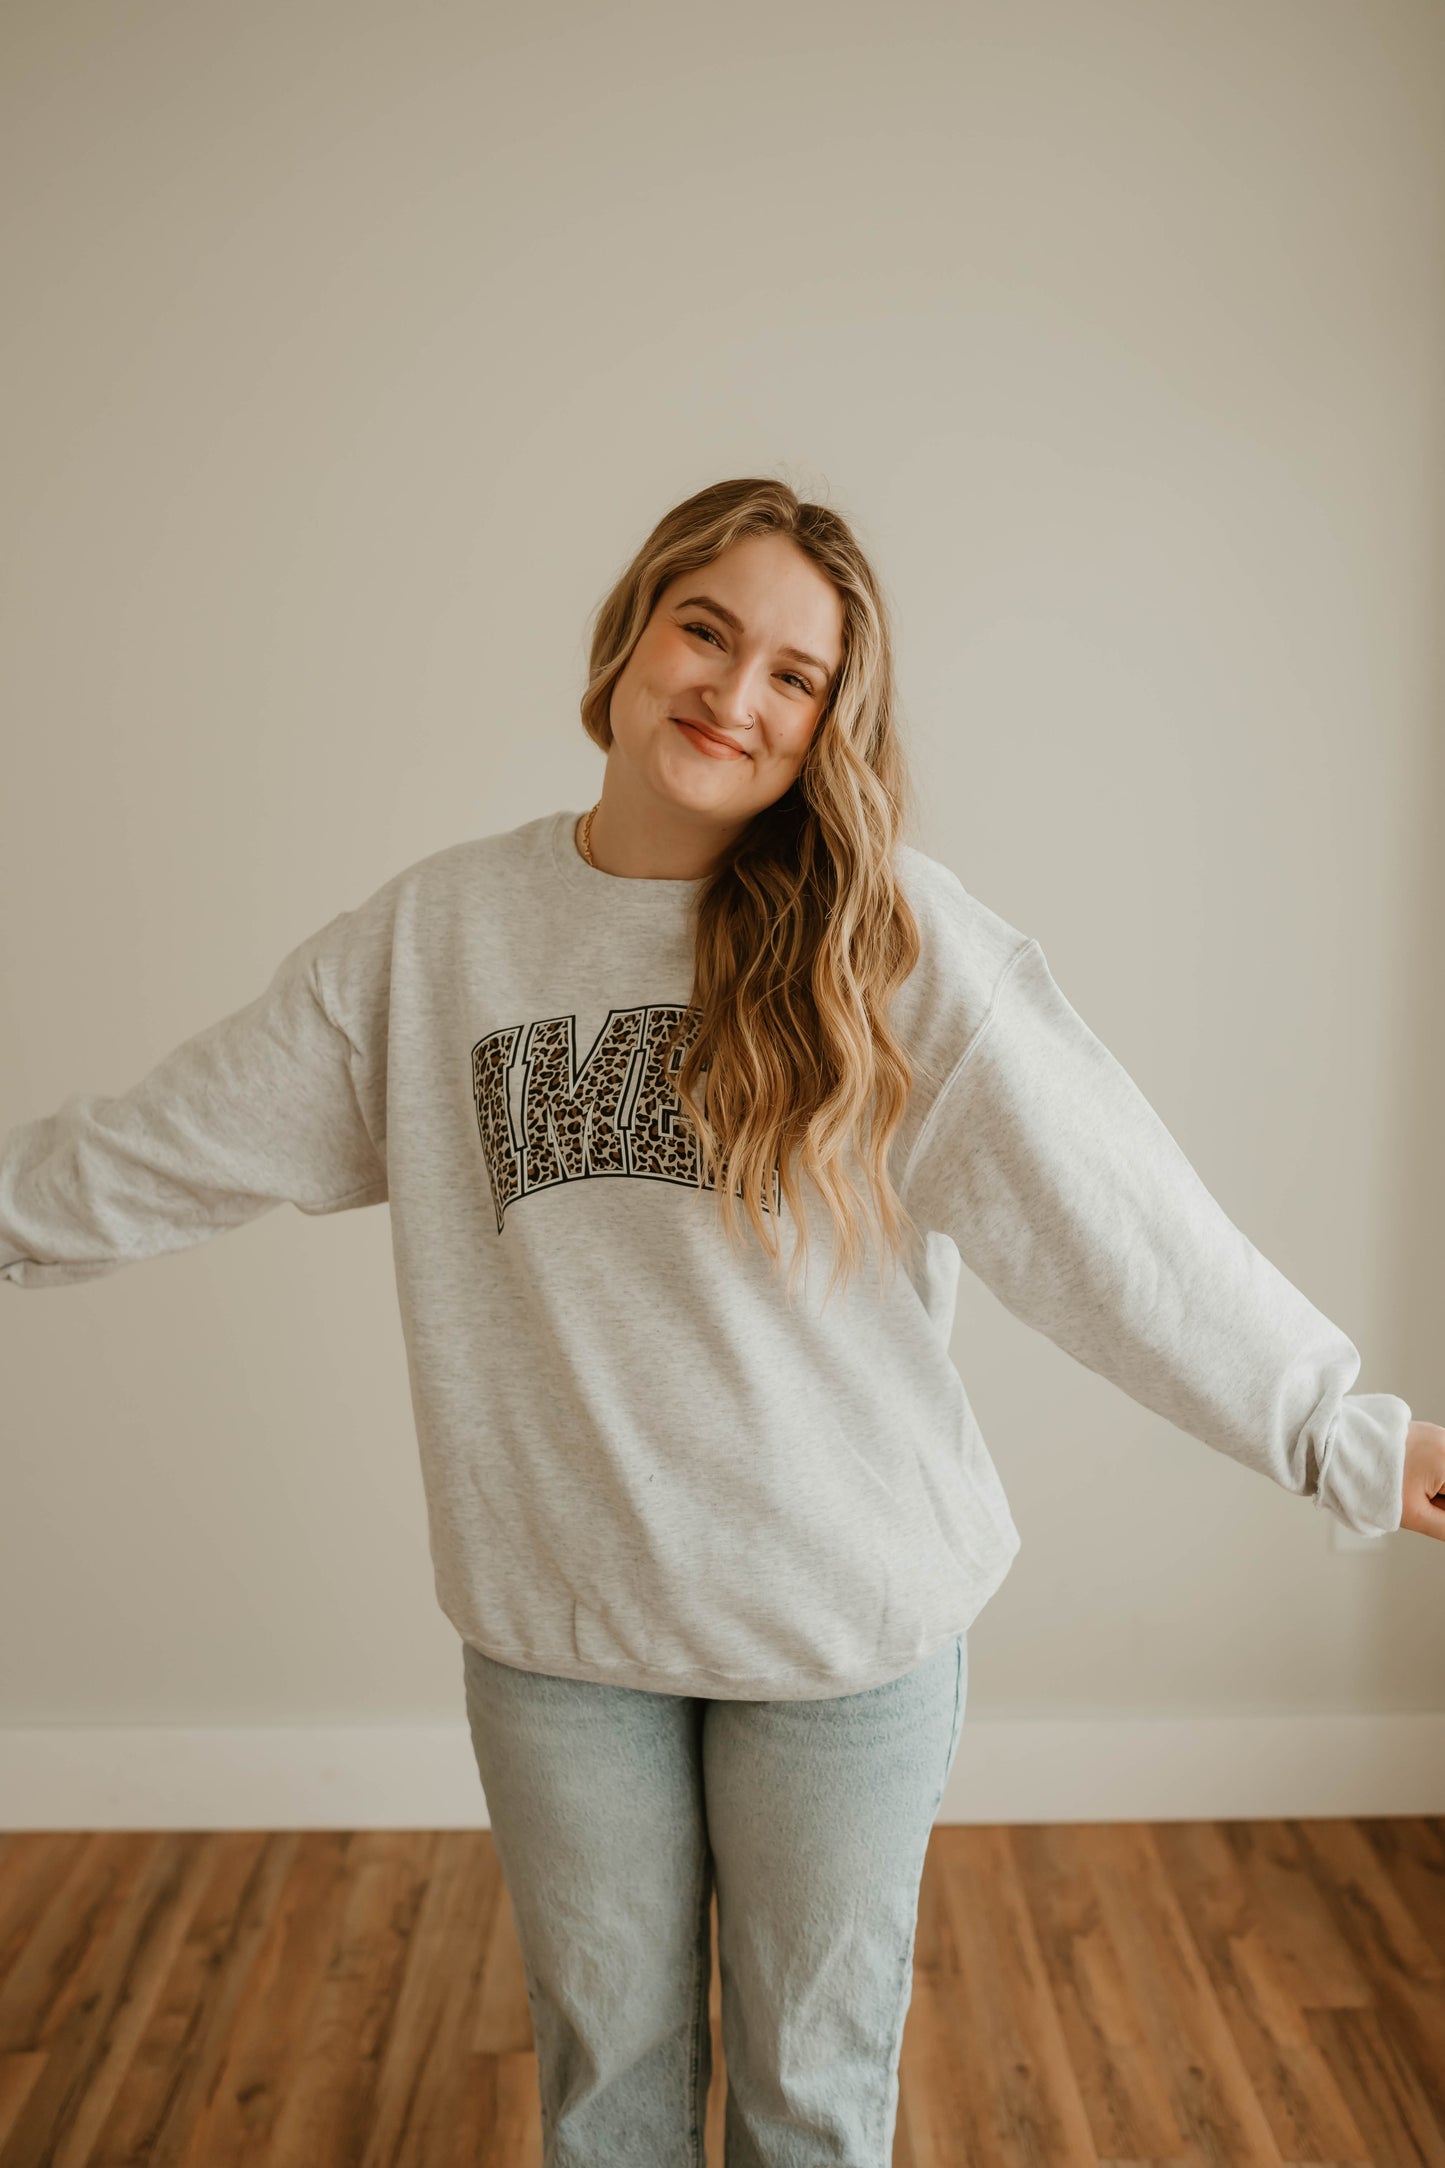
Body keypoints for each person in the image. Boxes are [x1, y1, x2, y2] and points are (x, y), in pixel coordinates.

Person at [3, 474, 1442, 2168]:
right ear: (627, 636)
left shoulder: (882, 939)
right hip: (560, 1636)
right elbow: (161, 1150)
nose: (733, 691)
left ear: (828, 721)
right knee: (605, 2094)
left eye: (794, 674)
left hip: (842, 1638)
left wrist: (1338, 1431)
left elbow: (1114, 1219)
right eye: (706, 629)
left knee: (808, 2109)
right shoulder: (436, 939)